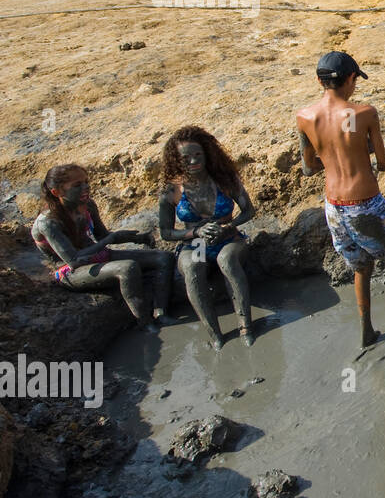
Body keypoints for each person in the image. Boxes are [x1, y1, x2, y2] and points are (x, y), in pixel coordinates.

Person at [296, 51, 385, 350]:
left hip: (333, 207)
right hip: (364, 202)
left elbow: (309, 167)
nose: (355, 88)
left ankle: (366, 331)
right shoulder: (363, 113)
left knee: (360, 267)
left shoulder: (305, 116)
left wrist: (334, 156)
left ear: (319, 80)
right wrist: (363, 155)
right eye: (354, 81)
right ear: (350, 79)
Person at [32, 164, 174, 330]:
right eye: (77, 185)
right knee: (127, 268)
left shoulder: (88, 205)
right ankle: (144, 322)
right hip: (69, 271)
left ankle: (161, 313)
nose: (86, 187)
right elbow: (73, 260)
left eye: (86, 182)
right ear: (57, 192)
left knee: (165, 257)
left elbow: (101, 236)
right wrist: (110, 239)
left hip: (96, 256)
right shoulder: (48, 222)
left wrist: (135, 238)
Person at [159, 127, 257, 349]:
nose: (193, 161)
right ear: (176, 160)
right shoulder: (172, 190)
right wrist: (195, 232)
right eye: (186, 158)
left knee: (227, 260)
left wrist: (228, 226)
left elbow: (248, 211)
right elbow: (165, 232)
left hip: (228, 240)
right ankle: (215, 335)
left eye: (198, 155)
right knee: (193, 267)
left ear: (207, 154)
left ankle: (246, 328)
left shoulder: (224, 179)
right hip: (196, 244)